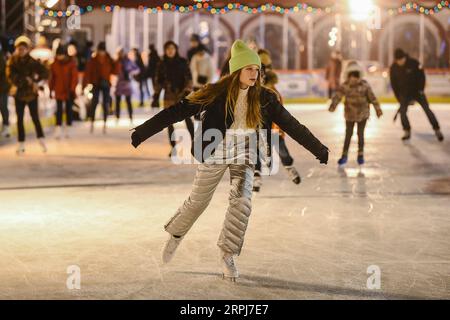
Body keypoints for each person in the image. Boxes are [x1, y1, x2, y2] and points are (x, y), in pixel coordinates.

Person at [130, 40, 329, 281]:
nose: (255, 74)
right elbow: (177, 111)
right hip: (215, 150)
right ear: (237, 71)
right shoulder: (215, 92)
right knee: (197, 202)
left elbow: (291, 124)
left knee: (242, 201)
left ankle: (227, 254)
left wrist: (318, 149)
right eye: (249, 69)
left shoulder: (266, 97)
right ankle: (175, 235)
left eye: (257, 69)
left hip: (245, 152)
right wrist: (142, 132)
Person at [329, 61, 383, 166]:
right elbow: (372, 98)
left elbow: (337, 97)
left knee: (351, 135)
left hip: (356, 115)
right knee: (358, 134)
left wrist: (333, 106)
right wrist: (378, 109)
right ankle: (357, 155)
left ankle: (349, 155)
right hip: (356, 114)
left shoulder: (350, 85)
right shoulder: (360, 84)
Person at [6, 35, 49, 155]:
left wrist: (36, 82)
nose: (21, 51)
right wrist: (26, 80)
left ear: (27, 49)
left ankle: (41, 140)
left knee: (35, 117)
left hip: (31, 94)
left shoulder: (32, 61)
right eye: (19, 49)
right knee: (19, 120)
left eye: (23, 49)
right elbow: (11, 77)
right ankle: (21, 143)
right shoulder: (12, 62)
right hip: (19, 94)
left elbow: (45, 73)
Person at [390, 48, 443, 141]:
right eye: (398, 60)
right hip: (404, 94)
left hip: (417, 92)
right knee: (403, 113)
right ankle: (406, 130)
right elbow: (394, 84)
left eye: (401, 60)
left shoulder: (414, 63)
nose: (400, 62)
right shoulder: (393, 68)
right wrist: (399, 98)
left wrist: (421, 90)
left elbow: (422, 76)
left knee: (427, 110)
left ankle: (437, 129)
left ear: (404, 57)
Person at [155, 40, 195, 156]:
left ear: (176, 50)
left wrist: (187, 90)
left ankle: (195, 143)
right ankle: (173, 147)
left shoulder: (182, 62)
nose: (170, 51)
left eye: (172, 49)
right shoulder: (161, 63)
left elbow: (189, 77)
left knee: (187, 119)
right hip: (169, 95)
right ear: (165, 50)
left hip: (182, 94)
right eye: (168, 49)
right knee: (169, 122)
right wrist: (156, 95)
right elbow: (158, 80)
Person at [83, 41, 115, 134]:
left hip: (106, 84)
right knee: (94, 103)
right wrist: (85, 84)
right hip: (96, 84)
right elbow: (88, 72)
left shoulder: (109, 59)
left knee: (105, 103)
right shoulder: (93, 60)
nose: (102, 53)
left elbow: (115, 70)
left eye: (103, 51)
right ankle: (92, 123)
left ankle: (105, 124)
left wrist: (117, 61)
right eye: (100, 51)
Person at [49, 45, 78, 139]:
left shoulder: (71, 63)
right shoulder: (54, 64)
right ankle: (58, 128)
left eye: (60, 55)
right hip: (58, 90)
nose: (59, 57)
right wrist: (50, 90)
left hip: (68, 90)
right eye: (58, 55)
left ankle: (68, 128)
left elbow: (74, 77)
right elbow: (52, 78)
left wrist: (72, 88)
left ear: (64, 54)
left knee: (69, 109)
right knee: (59, 110)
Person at [114, 48, 139, 125]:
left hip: (127, 83)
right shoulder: (116, 62)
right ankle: (117, 117)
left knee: (128, 101)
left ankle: (130, 117)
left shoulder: (128, 61)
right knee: (118, 101)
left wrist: (131, 72)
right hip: (119, 83)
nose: (120, 54)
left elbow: (137, 69)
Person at [147, 44, 161, 109]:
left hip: (154, 74)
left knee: (155, 89)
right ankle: (155, 102)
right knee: (156, 89)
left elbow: (150, 66)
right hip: (156, 74)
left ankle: (155, 102)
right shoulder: (156, 55)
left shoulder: (151, 55)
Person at [0, 47, 10, 138]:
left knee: (3, 106)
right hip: (3, 87)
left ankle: (6, 126)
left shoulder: (1, 57)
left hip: (2, 88)